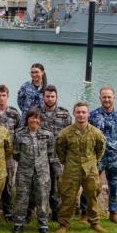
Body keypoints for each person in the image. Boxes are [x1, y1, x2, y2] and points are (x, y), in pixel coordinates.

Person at [55, 102, 107, 233]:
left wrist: (93, 161)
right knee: (68, 197)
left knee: (92, 195)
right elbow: (60, 150)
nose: (81, 115)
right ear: (74, 114)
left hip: (90, 169)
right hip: (72, 169)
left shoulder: (96, 133)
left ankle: (94, 222)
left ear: (88, 114)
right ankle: (63, 224)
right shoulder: (65, 133)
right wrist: (67, 162)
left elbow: (100, 149)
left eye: (84, 112)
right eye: (78, 112)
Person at [88, 86, 117, 225]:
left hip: (115, 157)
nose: (107, 99)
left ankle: (114, 213)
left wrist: (115, 144)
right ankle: (85, 213)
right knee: (90, 186)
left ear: (114, 98)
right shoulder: (93, 115)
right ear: (100, 98)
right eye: (104, 97)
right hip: (97, 157)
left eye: (109, 97)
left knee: (115, 187)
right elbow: (87, 134)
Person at [31, 84, 71, 222]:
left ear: (56, 97)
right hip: (40, 156)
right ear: (43, 97)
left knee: (57, 187)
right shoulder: (35, 113)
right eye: (47, 96)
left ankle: (56, 213)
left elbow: (69, 135)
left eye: (52, 96)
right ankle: (35, 212)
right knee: (38, 185)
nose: (49, 99)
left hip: (57, 157)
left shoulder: (64, 114)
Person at [11, 109, 54, 233]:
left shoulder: (47, 134)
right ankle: (19, 223)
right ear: (27, 119)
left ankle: (43, 224)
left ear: (40, 120)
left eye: (37, 118)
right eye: (31, 118)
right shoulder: (19, 134)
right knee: (21, 197)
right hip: (24, 171)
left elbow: (50, 152)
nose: (34, 120)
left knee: (42, 197)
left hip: (42, 172)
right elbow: (16, 154)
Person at [0, 84, 23, 221]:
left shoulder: (14, 113)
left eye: (3, 95)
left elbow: (19, 133)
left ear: (7, 97)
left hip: (9, 155)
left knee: (8, 184)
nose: (1, 98)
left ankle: (8, 211)